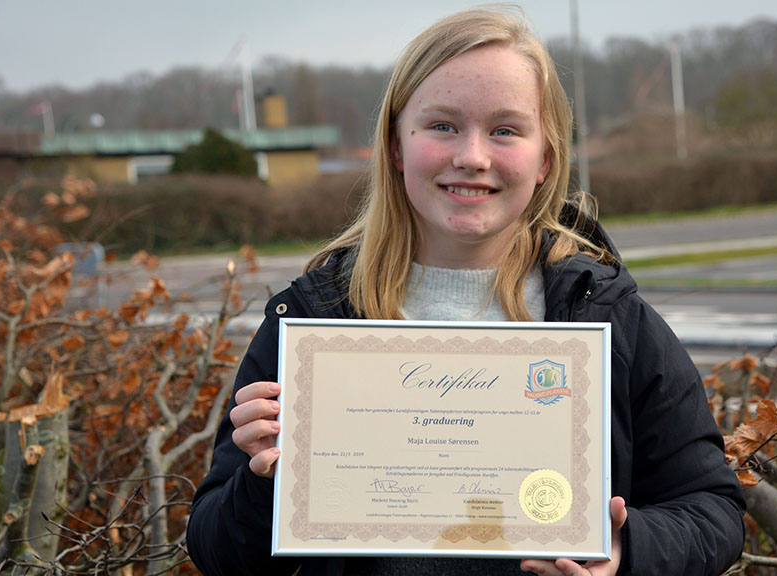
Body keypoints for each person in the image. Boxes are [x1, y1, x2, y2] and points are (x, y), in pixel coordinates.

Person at [187, 6, 745, 575]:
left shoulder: (606, 318)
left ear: (546, 159)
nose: (472, 157)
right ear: (397, 146)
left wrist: (627, 552)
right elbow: (216, 549)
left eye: (505, 130)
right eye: (443, 126)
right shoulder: (314, 321)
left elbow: (712, 511)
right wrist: (262, 487)